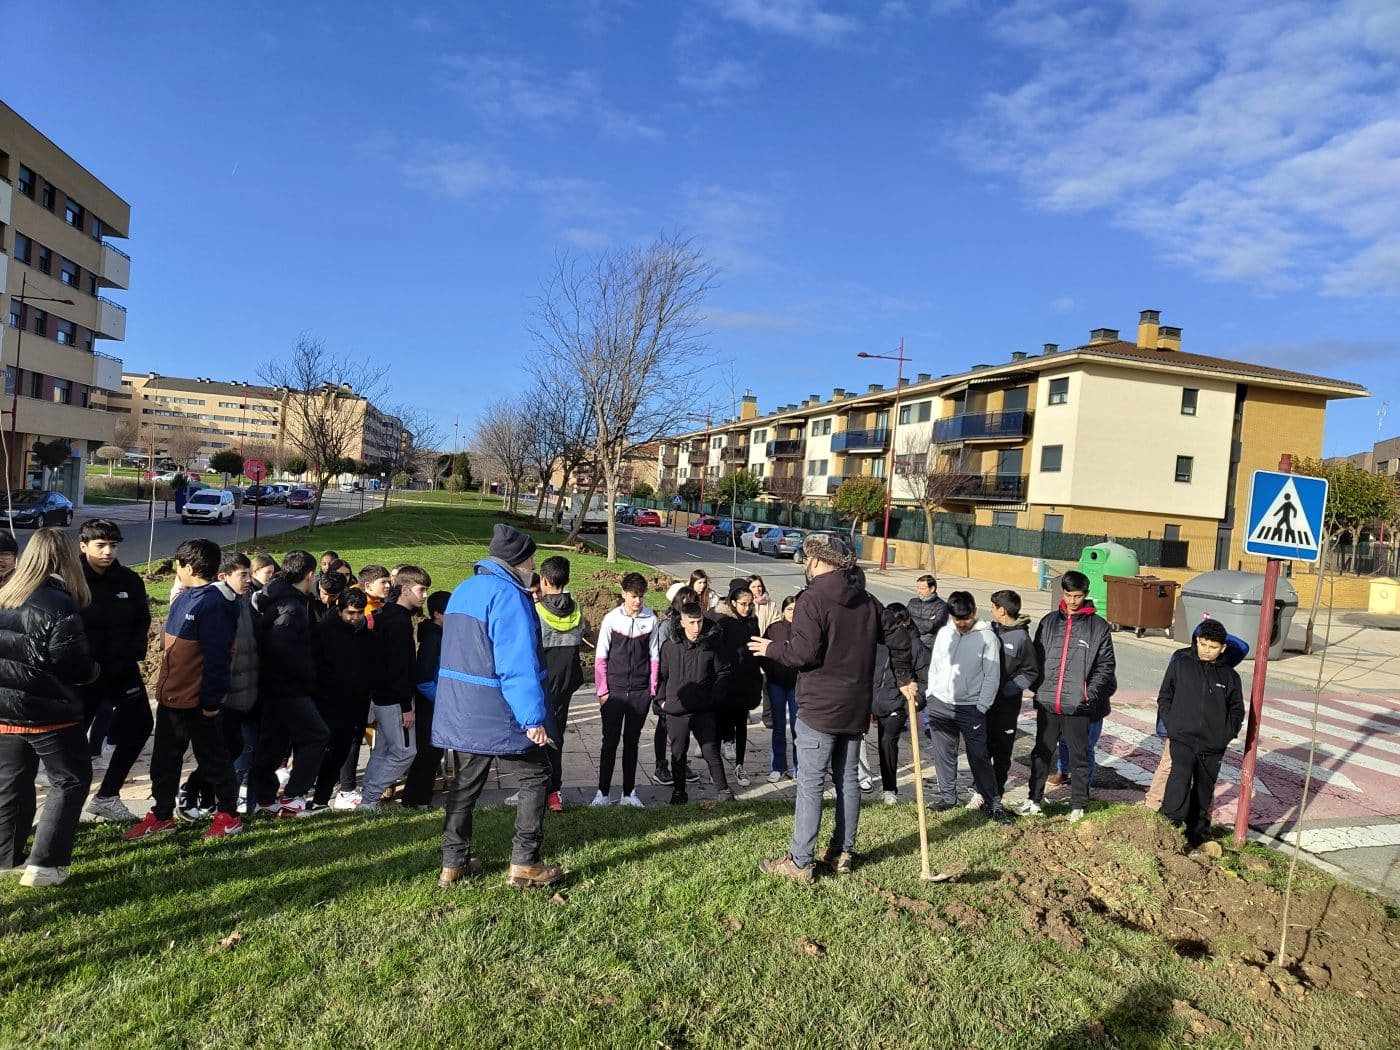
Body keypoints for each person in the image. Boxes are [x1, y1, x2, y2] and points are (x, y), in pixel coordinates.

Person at [750, 533, 916, 881]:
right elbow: (901, 638)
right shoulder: (867, 599)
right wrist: (903, 677)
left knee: (811, 783)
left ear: (814, 561)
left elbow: (802, 653)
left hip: (820, 707)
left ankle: (799, 861)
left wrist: (770, 649)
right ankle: (842, 852)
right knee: (846, 780)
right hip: (855, 707)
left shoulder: (813, 599)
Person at [434, 523, 562, 889]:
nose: (533, 566)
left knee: (466, 786)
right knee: (537, 776)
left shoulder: (464, 589)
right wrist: (532, 719)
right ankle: (525, 861)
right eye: (531, 558)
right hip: (500, 712)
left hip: (464, 711)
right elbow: (516, 662)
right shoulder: (508, 596)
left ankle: (452, 863)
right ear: (518, 561)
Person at [124, 539, 243, 843]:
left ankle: (228, 816)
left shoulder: (214, 603)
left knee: (214, 759)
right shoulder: (184, 598)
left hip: (199, 701)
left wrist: (212, 701)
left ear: (187, 567)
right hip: (171, 699)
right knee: (164, 761)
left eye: (177, 565)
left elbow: (219, 657)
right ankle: (162, 814)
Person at [0, 528, 100, 887]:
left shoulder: (6, 595)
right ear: (68, 558)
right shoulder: (59, 603)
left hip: (5, 710)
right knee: (70, 781)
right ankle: (45, 865)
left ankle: (6, 856)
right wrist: (93, 671)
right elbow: (70, 661)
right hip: (50, 712)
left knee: (12, 783)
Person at [1021, 571, 1117, 823]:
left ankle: (1078, 805)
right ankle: (1034, 799)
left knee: (1079, 756)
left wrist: (1088, 694)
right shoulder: (1049, 621)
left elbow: (1106, 665)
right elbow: (1036, 657)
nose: (1073, 601)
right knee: (1041, 752)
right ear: (1062, 593)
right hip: (1048, 702)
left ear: (1085, 594)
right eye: (1068, 595)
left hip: (1078, 705)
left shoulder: (1098, 626)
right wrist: (1038, 687)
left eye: (1078, 596)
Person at [75, 519, 152, 824]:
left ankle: (107, 795)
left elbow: (141, 621)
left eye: (112, 545)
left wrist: (132, 653)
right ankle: (65, 803)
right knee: (71, 740)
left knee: (141, 724)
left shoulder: (130, 581)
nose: (107, 552)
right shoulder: (70, 581)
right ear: (84, 546)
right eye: (100, 545)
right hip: (82, 676)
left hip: (122, 670)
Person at [338, 565, 431, 810]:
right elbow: (399, 666)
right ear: (407, 589)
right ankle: (369, 797)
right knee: (404, 752)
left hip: (380, 695)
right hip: (393, 698)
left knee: (383, 749)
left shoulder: (382, 615)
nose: (424, 596)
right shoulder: (398, 622)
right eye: (421, 589)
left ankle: (368, 795)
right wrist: (406, 706)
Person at [178, 552, 260, 817]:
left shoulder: (244, 601)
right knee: (220, 750)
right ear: (223, 576)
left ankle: (206, 795)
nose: (249, 580)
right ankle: (192, 791)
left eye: (250, 574)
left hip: (244, 691)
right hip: (221, 694)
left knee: (231, 747)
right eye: (243, 575)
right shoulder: (216, 605)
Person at [249, 550, 330, 818]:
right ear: (309, 575)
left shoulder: (283, 599)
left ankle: (264, 797)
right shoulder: (290, 608)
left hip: (278, 687)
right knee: (317, 735)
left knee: (274, 740)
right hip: (288, 687)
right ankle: (294, 797)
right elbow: (281, 651)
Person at [1156, 619, 1245, 849]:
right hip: (1182, 736)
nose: (1206, 650)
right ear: (1196, 641)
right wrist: (1172, 723)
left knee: (1204, 787)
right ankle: (1169, 822)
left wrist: (1227, 733)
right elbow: (1165, 695)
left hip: (1213, 744)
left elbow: (1237, 709)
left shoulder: (1229, 676)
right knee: (1180, 775)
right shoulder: (1181, 664)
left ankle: (1197, 833)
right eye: (1203, 644)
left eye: (1213, 647)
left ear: (1223, 648)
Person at [924, 591, 1009, 823]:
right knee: (943, 753)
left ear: (973, 612)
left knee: (979, 756)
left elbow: (992, 676)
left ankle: (992, 802)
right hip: (940, 703)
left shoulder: (988, 639)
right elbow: (936, 665)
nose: (961, 623)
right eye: (956, 619)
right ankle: (947, 797)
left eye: (965, 618)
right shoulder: (944, 634)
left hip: (971, 707)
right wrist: (931, 692)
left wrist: (982, 706)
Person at [592, 572, 660, 807]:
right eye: (633, 596)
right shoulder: (611, 619)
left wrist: (651, 690)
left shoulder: (651, 619)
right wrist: (602, 691)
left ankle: (629, 793)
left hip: (640, 691)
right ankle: (602, 793)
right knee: (609, 742)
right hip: (614, 690)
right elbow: (601, 656)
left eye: (641, 596)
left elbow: (655, 656)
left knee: (632, 742)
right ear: (623, 594)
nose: (637, 601)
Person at [657, 602, 732, 805]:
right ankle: (679, 792)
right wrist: (662, 702)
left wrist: (713, 698)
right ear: (682, 622)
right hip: (676, 709)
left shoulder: (712, 644)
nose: (696, 627)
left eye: (699, 622)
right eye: (691, 622)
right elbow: (662, 677)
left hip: (703, 709)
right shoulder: (669, 646)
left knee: (710, 749)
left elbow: (724, 673)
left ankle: (724, 790)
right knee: (678, 752)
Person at [312, 587, 372, 811]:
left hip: (354, 702)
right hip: (330, 701)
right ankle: (313, 796)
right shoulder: (325, 632)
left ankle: (321, 799)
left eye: (359, 612)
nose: (355, 618)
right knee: (325, 752)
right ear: (339, 611)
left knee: (340, 752)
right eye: (350, 613)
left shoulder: (363, 635)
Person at [535, 558, 584, 813]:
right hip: (565, 684)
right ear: (567, 580)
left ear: (543, 581)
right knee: (556, 737)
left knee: (536, 738)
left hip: (540, 685)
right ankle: (553, 793)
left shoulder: (536, 612)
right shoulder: (577, 610)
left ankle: (540, 791)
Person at [871, 602, 929, 805]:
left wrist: (914, 703)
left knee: (888, 741)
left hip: (898, 703)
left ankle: (889, 790)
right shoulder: (878, 642)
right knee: (877, 743)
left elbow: (924, 680)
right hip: (875, 701)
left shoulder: (916, 646)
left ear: (907, 622)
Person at [400, 589, 451, 809]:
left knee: (434, 751)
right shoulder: (432, 638)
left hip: (435, 702)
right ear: (438, 614)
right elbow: (423, 679)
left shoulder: (438, 635)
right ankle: (414, 799)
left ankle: (422, 797)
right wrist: (442, 700)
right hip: (430, 705)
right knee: (427, 752)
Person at [708, 581, 762, 787]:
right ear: (732, 603)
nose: (747, 608)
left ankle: (740, 765)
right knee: (721, 725)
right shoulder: (722, 622)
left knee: (741, 725)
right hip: (726, 682)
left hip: (746, 682)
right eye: (743, 604)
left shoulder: (752, 621)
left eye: (750, 604)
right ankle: (716, 768)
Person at [988, 589, 1040, 799]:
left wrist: (1009, 689)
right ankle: (979, 790)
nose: (990, 610)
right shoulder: (989, 631)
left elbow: (1031, 671)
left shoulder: (1021, 638)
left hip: (1006, 706)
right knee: (981, 748)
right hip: (984, 702)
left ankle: (996, 793)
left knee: (1001, 751)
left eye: (993, 606)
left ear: (1001, 610)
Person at [759, 595, 800, 783]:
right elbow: (763, 653)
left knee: (798, 728)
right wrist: (772, 671)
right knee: (778, 727)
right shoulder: (774, 629)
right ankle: (778, 766)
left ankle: (799, 767)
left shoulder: (804, 629)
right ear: (783, 611)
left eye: (796, 609)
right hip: (776, 683)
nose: (793, 613)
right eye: (790, 609)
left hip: (797, 685)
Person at [907, 574, 948, 649]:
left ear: (932, 589)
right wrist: (925, 623)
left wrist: (910, 618)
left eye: (922, 588)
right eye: (918, 588)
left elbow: (931, 626)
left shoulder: (941, 606)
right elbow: (903, 622)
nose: (919, 591)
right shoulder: (912, 602)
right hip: (910, 643)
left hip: (928, 647)